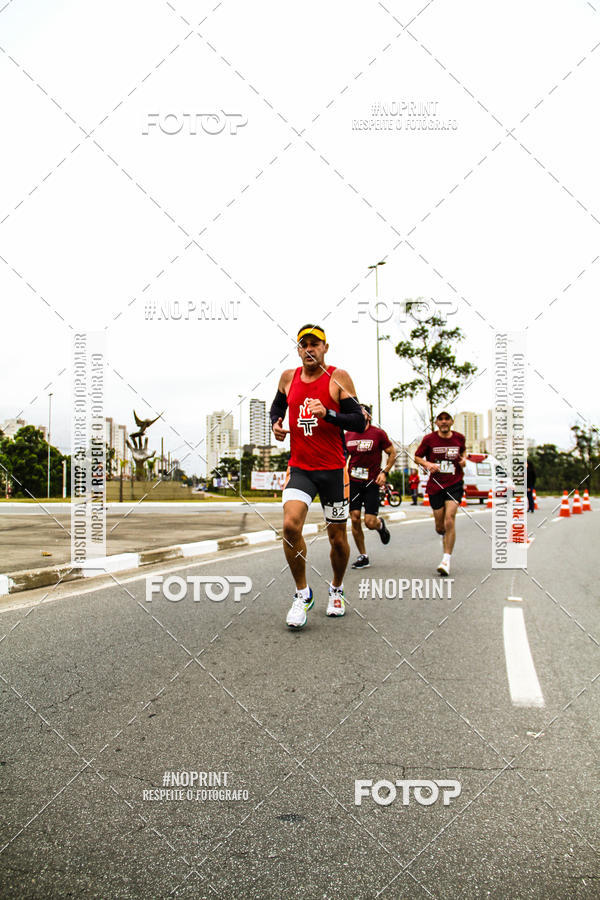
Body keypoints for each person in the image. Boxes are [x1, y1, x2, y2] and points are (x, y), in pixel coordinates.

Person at [270, 324, 366, 628]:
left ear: (325, 348)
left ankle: (336, 589)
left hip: (334, 472)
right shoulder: (288, 378)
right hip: (300, 468)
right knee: (289, 525)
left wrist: (329, 414)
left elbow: (360, 422)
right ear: (298, 350)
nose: (309, 349)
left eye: (315, 344)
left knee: (337, 539)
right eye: (304, 345)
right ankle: (302, 594)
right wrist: (276, 424)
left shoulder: (338, 378)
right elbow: (276, 408)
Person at [414, 412, 466, 576]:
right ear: (436, 422)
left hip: (454, 484)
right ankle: (445, 536)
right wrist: (427, 463)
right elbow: (417, 457)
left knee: (450, 518)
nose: (444, 422)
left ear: (451, 421)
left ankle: (446, 559)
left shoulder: (459, 438)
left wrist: (463, 460)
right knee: (440, 526)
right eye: (440, 419)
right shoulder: (429, 439)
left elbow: (463, 453)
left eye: (447, 419)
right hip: (435, 486)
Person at [345, 404, 396, 569]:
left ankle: (380, 525)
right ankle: (363, 556)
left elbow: (392, 453)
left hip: (372, 482)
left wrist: (385, 472)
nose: (358, 415)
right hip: (353, 481)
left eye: (361, 412)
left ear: (369, 416)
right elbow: (341, 456)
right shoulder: (348, 435)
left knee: (369, 522)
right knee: (354, 517)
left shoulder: (378, 434)